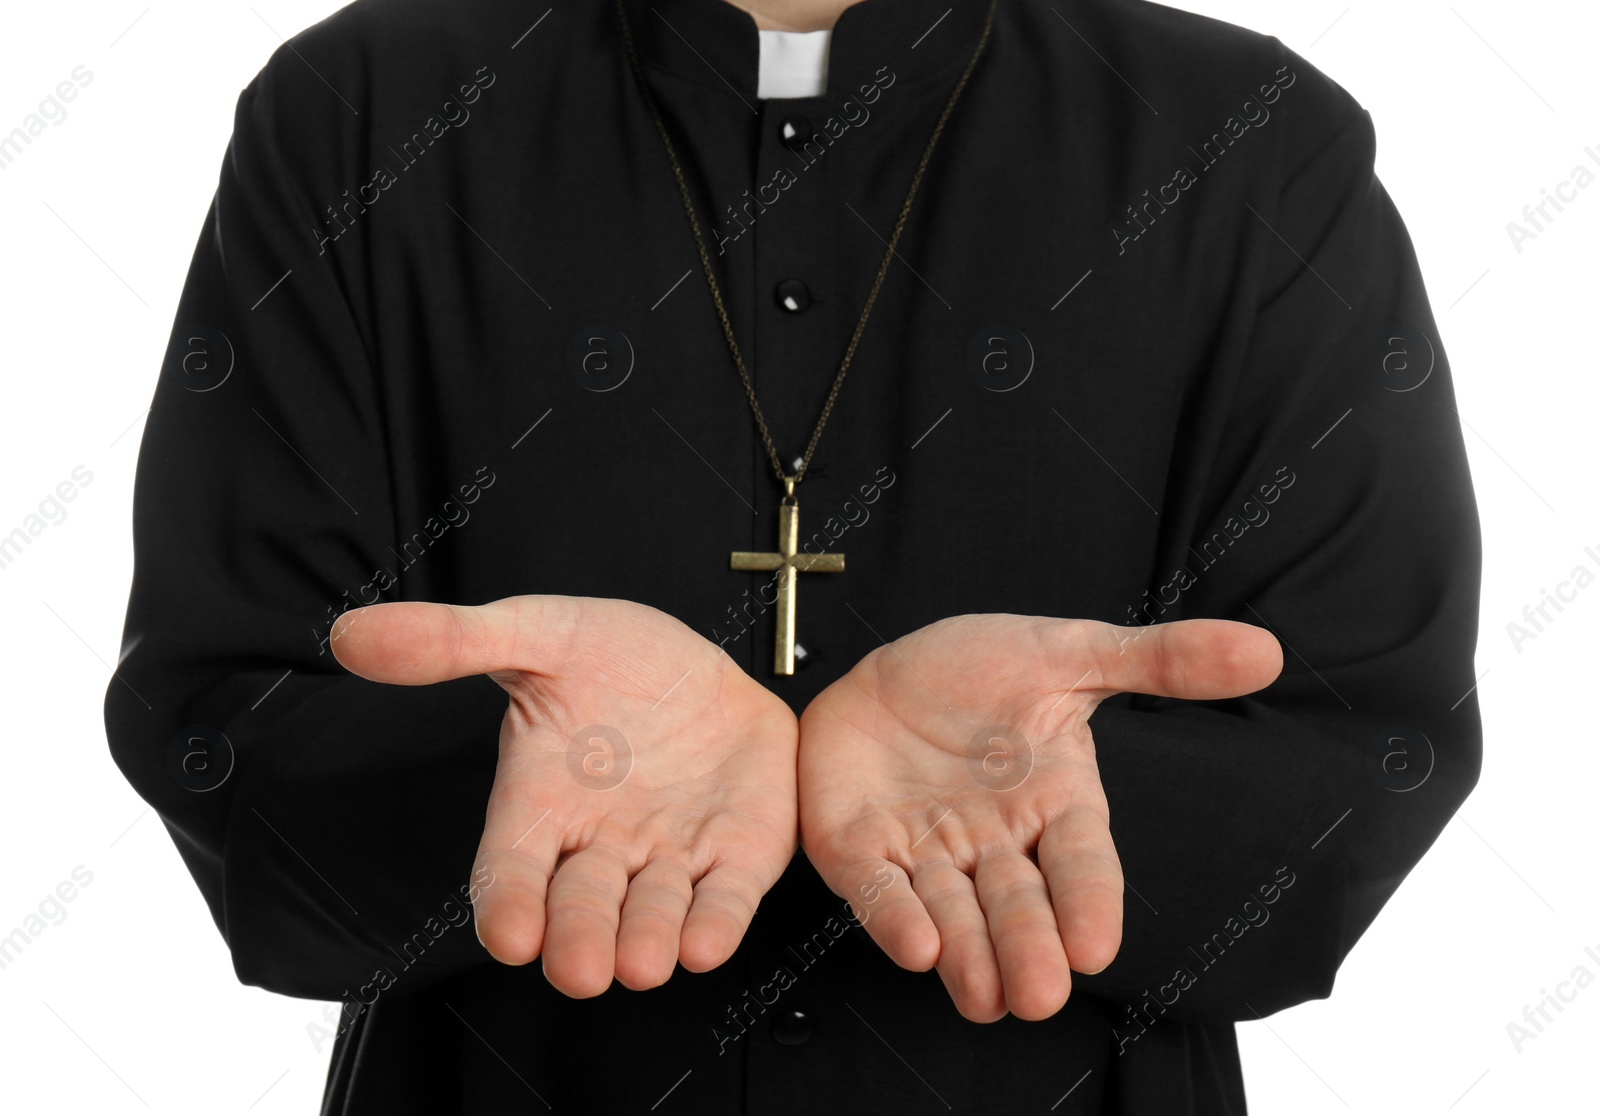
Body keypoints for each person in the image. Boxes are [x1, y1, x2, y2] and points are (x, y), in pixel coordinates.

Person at [105, 0, 1483, 1111]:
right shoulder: (358, 115)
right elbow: (219, 709)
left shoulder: (1246, 141)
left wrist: (1076, 792)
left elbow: (1369, 729)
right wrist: (517, 772)